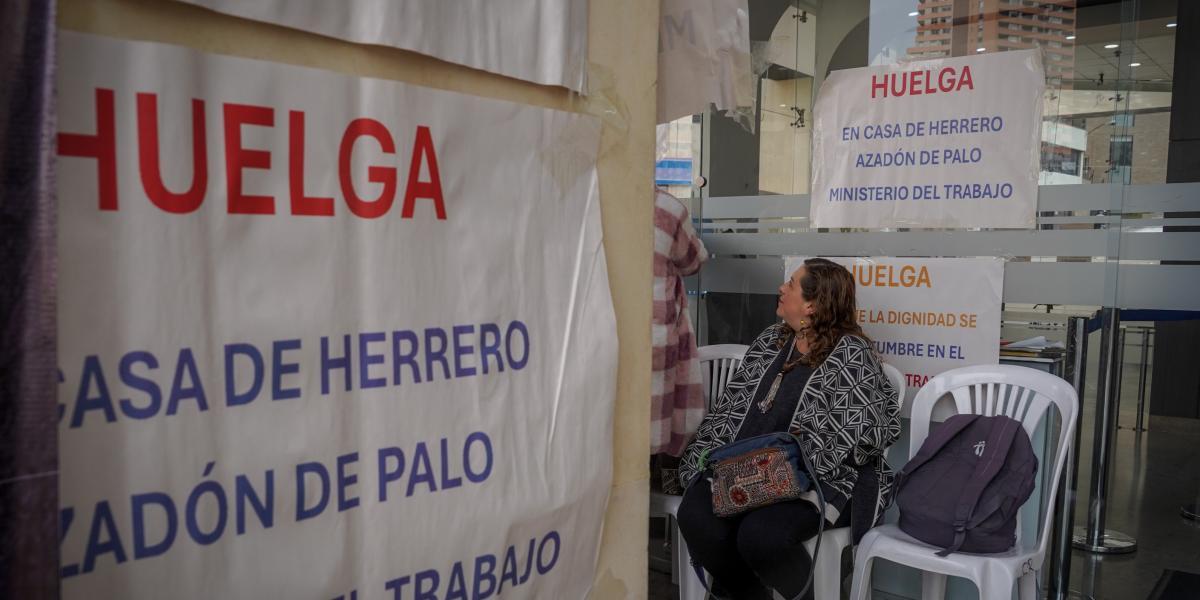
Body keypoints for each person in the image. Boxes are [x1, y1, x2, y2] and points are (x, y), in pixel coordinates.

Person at [676, 258, 901, 600]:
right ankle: (750, 594)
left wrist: (793, 463)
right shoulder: (770, 341)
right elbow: (731, 407)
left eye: (791, 284)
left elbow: (869, 428)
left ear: (812, 303)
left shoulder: (850, 355)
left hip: (813, 480)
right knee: (696, 517)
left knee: (760, 535)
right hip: (741, 472)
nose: (781, 288)